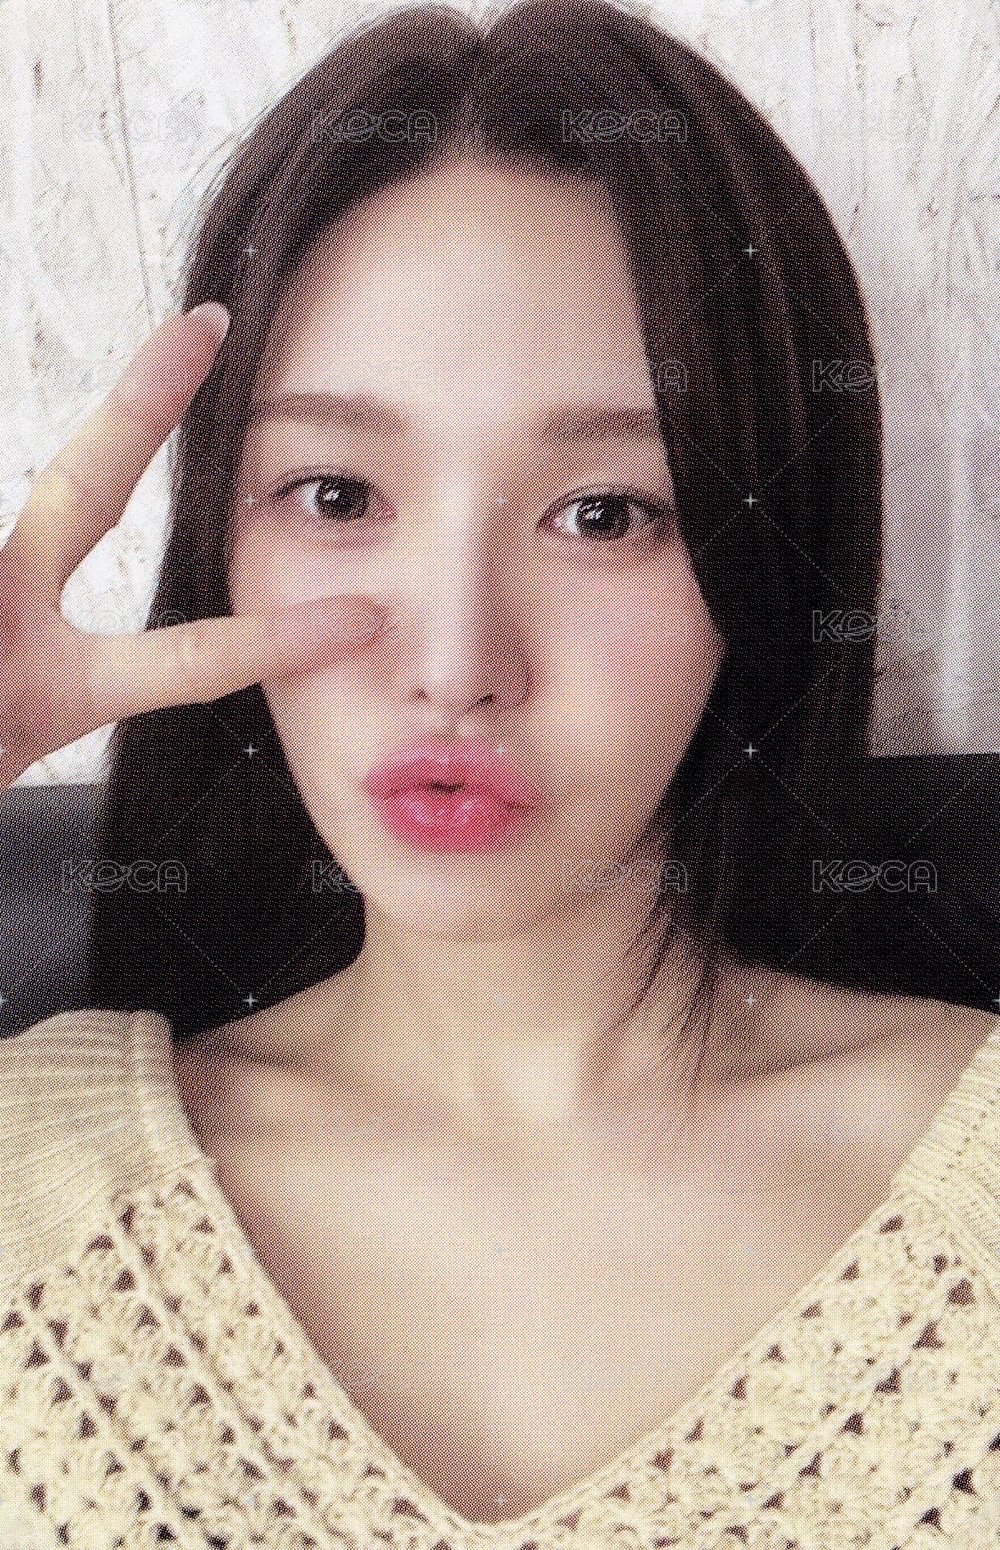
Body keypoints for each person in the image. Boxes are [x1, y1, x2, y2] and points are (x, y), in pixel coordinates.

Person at [1, 1, 998, 1544]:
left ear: (762, 561)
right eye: (338, 492)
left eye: (603, 513)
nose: (457, 661)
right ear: (220, 545)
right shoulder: (30, 1178)